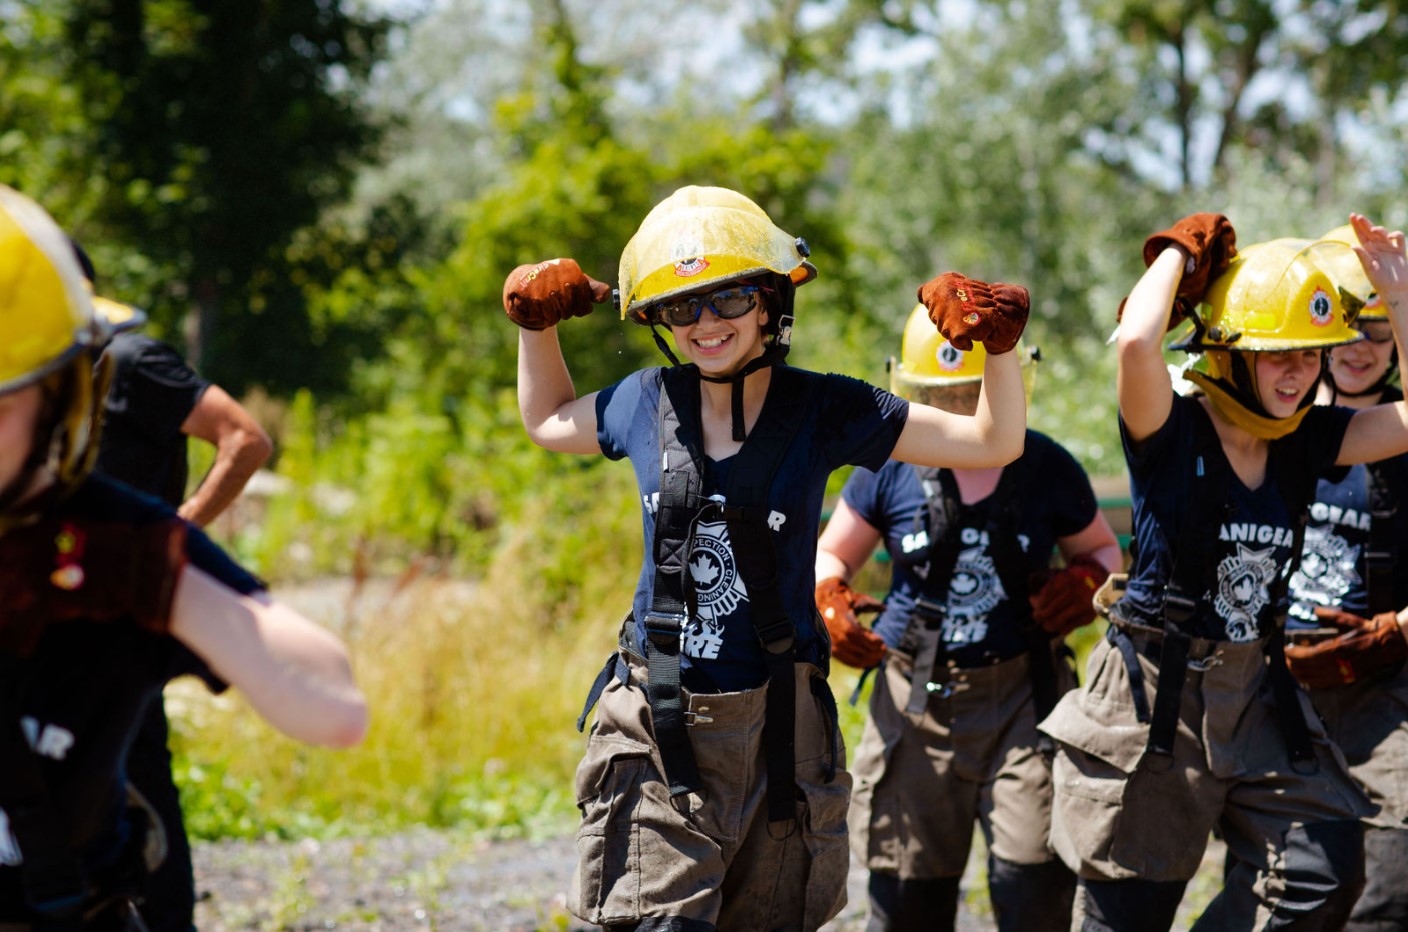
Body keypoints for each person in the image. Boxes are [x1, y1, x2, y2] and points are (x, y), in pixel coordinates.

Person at [503, 185, 1030, 931]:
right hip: (659, 724)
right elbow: (549, 419)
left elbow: (992, 442)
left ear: (771, 304)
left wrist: (996, 348)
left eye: (730, 299)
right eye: (683, 307)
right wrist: (536, 327)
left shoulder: (827, 409)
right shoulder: (643, 400)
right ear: (660, 320)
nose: (706, 323)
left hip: (782, 727)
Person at [0, 186, 367, 928]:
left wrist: (159, 578)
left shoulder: (113, 540)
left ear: (57, 397)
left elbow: (336, 709)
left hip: (64, 908)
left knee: (149, 791)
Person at [1040, 211, 1408, 931]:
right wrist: (1179, 252)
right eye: (1279, 354)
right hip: (1153, 693)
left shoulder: (1308, 438)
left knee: (1321, 870)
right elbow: (1140, 342)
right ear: (1228, 352)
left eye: (1311, 355)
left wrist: (1399, 301)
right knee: (1130, 908)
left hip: (1257, 691)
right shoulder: (1172, 430)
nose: (1300, 371)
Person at [814, 307, 1122, 932]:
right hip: (915, 700)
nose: (957, 409)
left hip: (1023, 698)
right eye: (941, 395)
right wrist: (827, 600)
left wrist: (1086, 579)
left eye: (970, 392)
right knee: (907, 895)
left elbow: (1103, 551)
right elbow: (831, 553)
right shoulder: (890, 465)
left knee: (1033, 884)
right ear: (912, 392)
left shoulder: (1046, 464)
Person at [68, 238, 275, 932]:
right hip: (61, 601)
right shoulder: (41, 378)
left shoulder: (133, 359)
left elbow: (245, 439)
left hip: (130, 607)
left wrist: (175, 532)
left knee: (139, 771)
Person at [1276, 223, 1408, 931]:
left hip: (1385, 687)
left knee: (1392, 887)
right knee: (1302, 886)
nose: (1359, 347)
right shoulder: (1272, 424)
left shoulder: (1400, 435)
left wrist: (1398, 629)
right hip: (1281, 692)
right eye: (1344, 328)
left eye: (1379, 331)